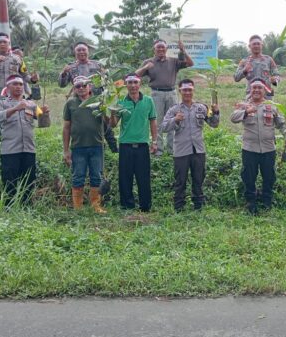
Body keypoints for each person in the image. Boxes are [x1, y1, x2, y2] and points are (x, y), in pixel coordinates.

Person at [231, 78, 286, 214]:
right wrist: (246, 111)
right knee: (248, 177)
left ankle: (266, 201)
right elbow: (233, 118)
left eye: (260, 88)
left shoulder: (271, 106)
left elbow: (281, 123)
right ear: (250, 90)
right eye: (254, 88)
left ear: (265, 91)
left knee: (269, 176)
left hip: (268, 148)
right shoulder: (244, 105)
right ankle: (250, 202)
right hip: (249, 149)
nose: (257, 90)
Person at [160, 79, 220, 212]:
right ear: (180, 91)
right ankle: (179, 207)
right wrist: (175, 120)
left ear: (193, 90)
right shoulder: (174, 109)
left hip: (198, 150)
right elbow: (164, 127)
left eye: (190, 90)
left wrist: (216, 112)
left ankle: (198, 206)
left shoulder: (202, 108)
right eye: (184, 90)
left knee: (198, 179)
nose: (187, 92)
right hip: (181, 151)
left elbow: (214, 124)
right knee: (180, 180)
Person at [0, 74, 50, 205]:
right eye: (15, 84)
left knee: (29, 180)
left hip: (28, 149)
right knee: (10, 181)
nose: (18, 87)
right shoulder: (1, 103)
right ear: (7, 87)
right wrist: (15, 108)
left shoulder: (31, 104)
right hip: (10, 150)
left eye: (21, 84)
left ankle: (27, 207)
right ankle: (10, 208)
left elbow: (44, 124)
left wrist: (45, 113)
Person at [62, 76, 118, 213]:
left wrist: (109, 109)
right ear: (74, 88)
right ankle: (78, 207)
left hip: (97, 146)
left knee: (96, 176)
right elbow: (66, 127)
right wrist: (66, 150)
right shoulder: (70, 103)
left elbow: (110, 123)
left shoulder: (99, 101)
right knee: (78, 176)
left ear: (90, 87)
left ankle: (95, 205)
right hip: (78, 146)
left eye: (84, 85)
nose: (81, 88)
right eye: (78, 86)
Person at [135, 39, 194, 155]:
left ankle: (172, 150)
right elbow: (135, 75)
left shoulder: (173, 61)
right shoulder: (149, 62)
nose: (161, 49)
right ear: (154, 49)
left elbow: (191, 63)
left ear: (166, 49)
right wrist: (145, 68)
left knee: (174, 119)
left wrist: (183, 50)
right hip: (156, 94)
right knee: (157, 120)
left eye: (163, 47)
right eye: (158, 47)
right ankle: (159, 150)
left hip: (172, 93)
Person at [109, 74, 158, 212]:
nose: (132, 85)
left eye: (135, 82)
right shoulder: (120, 102)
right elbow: (113, 125)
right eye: (130, 82)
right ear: (126, 84)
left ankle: (145, 207)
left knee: (143, 178)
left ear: (140, 84)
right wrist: (112, 113)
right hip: (125, 145)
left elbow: (153, 121)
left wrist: (154, 141)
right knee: (125, 178)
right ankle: (127, 206)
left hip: (143, 145)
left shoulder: (148, 101)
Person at [234, 35, 280, 99]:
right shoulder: (244, 61)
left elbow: (277, 75)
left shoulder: (269, 59)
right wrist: (245, 70)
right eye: (254, 44)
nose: (256, 46)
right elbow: (236, 78)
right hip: (251, 96)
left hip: (267, 96)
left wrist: (275, 80)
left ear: (262, 46)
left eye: (258, 44)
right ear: (249, 46)